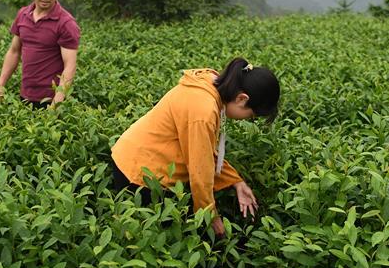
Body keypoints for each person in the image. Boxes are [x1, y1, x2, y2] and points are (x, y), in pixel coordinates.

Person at [111, 57, 280, 237]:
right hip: (138, 174)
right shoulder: (203, 111)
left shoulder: (209, 83)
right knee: (168, 235)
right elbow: (200, 169)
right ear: (242, 98)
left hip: (131, 156)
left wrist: (236, 182)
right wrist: (210, 216)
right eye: (251, 115)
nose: (246, 120)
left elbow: (205, 152)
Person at [0, 0, 80, 108]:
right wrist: (0, 85)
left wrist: (56, 105)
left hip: (50, 100)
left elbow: (70, 66)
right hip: (25, 97)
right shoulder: (23, 15)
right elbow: (14, 52)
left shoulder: (66, 23)